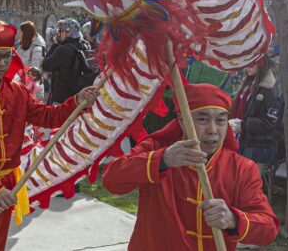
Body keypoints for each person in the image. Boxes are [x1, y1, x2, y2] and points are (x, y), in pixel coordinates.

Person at [0, 23, 101, 251]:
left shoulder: (16, 92)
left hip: (8, 188)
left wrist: (76, 102)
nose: (1, 63)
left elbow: (47, 116)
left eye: (6, 56)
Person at [102, 83, 280, 250]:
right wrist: (162, 160)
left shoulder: (242, 168)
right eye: (202, 119)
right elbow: (111, 179)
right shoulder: (156, 149)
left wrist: (234, 219)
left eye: (220, 120)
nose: (213, 129)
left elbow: (269, 229)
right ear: (181, 120)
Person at [230, 57, 283, 169]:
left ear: (261, 64)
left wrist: (243, 125)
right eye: (246, 62)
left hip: (260, 146)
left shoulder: (270, 88)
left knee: (247, 183)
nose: (247, 66)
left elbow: (271, 120)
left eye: (252, 63)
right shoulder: (249, 84)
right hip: (245, 141)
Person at [41, 18, 93, 104]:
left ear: (67, 32)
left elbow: (45, 65)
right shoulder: (86, 45)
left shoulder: (64, 49)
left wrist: (55, 44)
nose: (59, 33)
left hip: (63, 99)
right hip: (79, 95)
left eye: (61, 31)